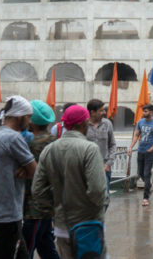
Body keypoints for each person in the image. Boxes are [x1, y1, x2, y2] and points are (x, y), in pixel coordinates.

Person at [33, 105, 108, 258]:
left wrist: (56, 208)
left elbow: (38, 190)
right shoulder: (90, 149)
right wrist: (99, 207)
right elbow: (97, 190)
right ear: (83, 123)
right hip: (89, 226)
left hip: (62, 226)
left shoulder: (49, 150)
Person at [0, 96, 37, 259]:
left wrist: (24, 168)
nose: (29, 122)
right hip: (6, 214)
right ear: (19, 116)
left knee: (21, 255)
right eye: (28, 117)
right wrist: (27, 168)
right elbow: (35, 171)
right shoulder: (14, 138)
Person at [22, 100, 60, 259]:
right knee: (46, 247)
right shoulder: (54, 141)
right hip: (48, 205)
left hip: (34, 207)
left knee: (26, 250)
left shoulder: (32, 143)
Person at [128, 104, 153, 206]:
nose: (144, 113)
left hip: (149, 152)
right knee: (140, 173)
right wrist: (131, 147)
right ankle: (150, 185)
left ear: (151, 112)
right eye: (143, 111)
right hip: (140, 150)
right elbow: (136, 135)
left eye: (146, 111)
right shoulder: (140, 122)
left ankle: (145, 198)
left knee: (147, 173)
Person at [85, 99, 116, 187]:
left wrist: (108, 163)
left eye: (104, 110)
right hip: (88, 168)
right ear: (92, 112)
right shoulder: (84, 125)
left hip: (104, 167)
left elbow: (112, 144)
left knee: (105, 197)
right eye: (101, 110)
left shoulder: (107, 124)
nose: (104, 112)